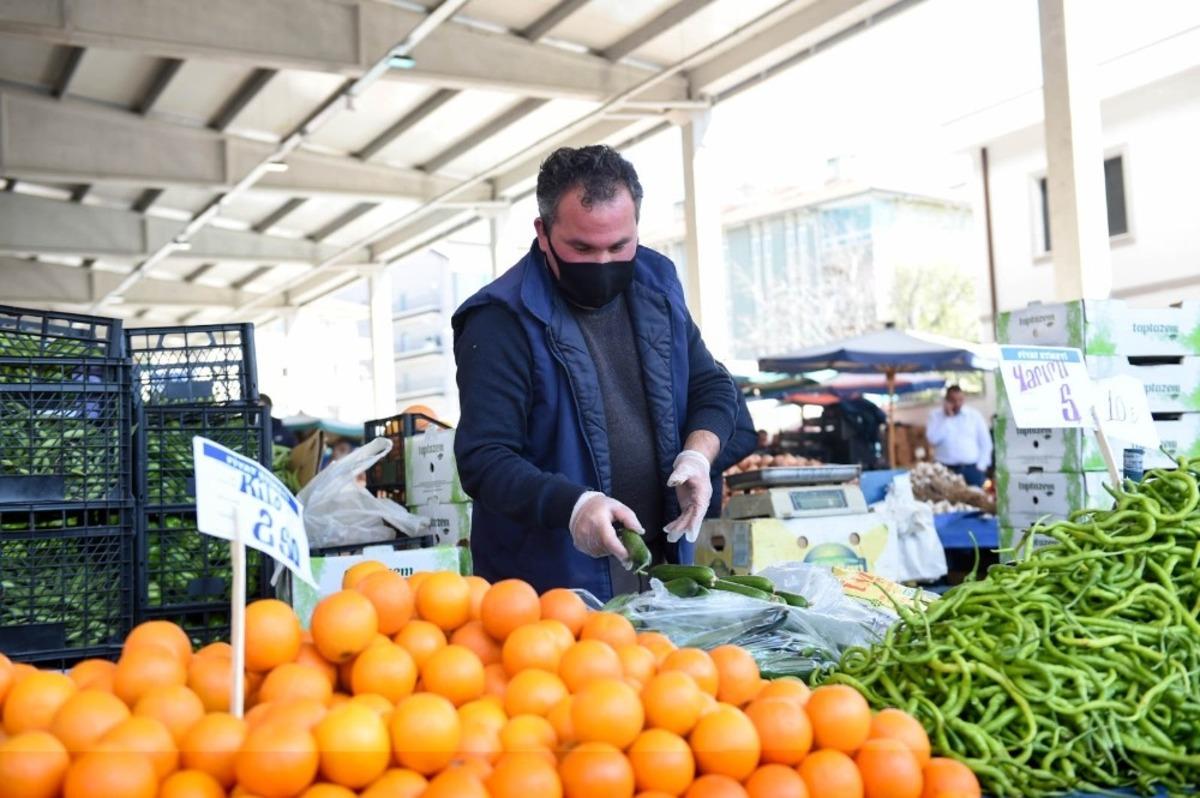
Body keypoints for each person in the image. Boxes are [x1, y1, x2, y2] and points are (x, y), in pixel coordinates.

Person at [452, 145, 739, 600]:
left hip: (661, 570)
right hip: (552, 592)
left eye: (619, 245)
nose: (604, 263)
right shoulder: (500, 320)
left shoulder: (656, 284)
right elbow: (484, 459)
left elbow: (713, 385)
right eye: (582, 247)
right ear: (543, 233)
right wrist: (574, 505)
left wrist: (698, 456)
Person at [926, 385, 992, 487]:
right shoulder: (935, 416)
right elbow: (932, 440)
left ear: (964, 399)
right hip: (945, 469)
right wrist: (948, 419)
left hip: (971, 469)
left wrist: (981, 466)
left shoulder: (974, 415)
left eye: (960, 400)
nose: (957, 403)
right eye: (953, 400)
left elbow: (986, 443)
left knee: (976, 500)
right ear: (946, 400)